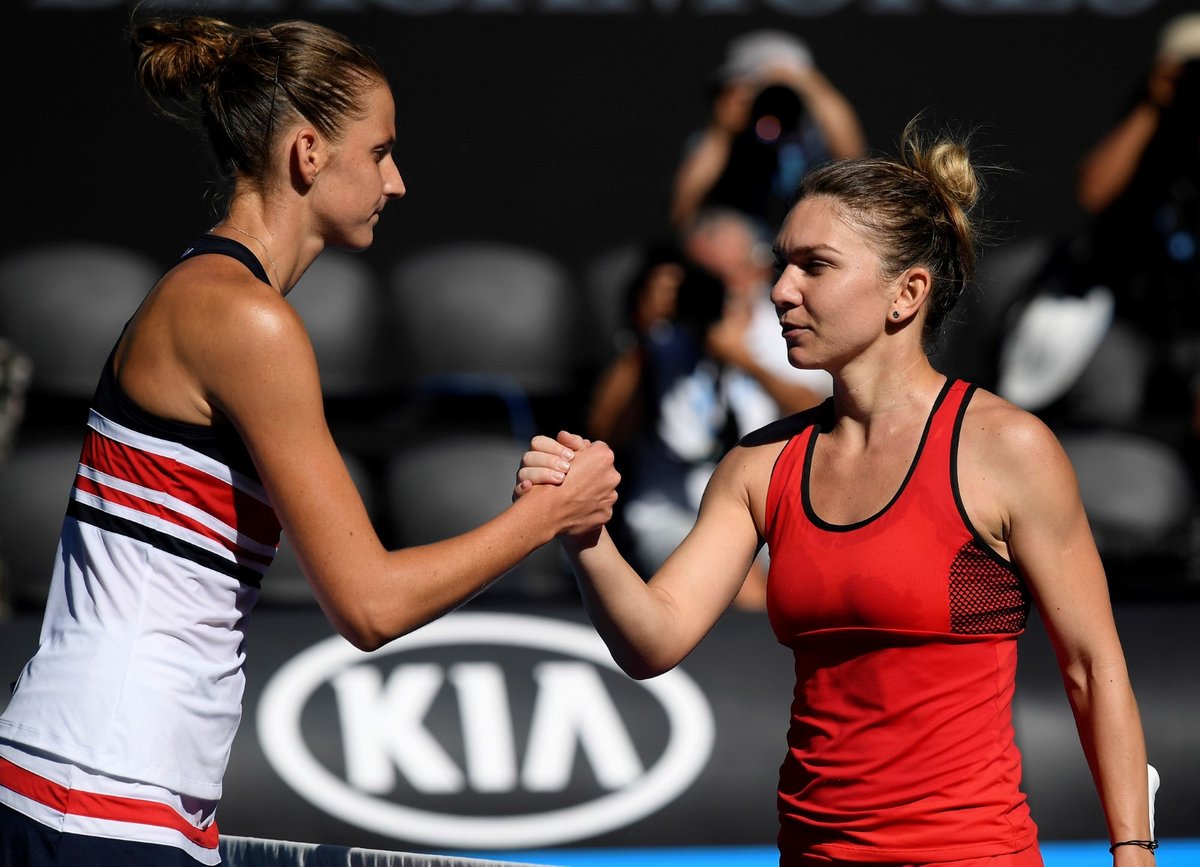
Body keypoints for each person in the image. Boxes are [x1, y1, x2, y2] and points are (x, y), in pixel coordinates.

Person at [0, 14, 618, 866]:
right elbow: (369, 604)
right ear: (307, 153)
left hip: (98, 787)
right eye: (380, 151)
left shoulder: (214, 296)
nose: (396, 182)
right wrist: (549, 515)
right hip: (100, 798)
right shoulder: (246, 319)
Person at [520, 122, 1157, 865]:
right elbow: (655, 639)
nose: (782, 290)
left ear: (906, 293)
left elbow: (1091, 665)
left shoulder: (1007, 449)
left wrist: (1133, 849)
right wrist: (583, 534)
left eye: (815, 266)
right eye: (781, 265)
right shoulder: (759, 465)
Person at [669, 29, 866, 232]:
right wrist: (722, 131)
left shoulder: (814, 136)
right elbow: (682, 211)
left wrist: (808, 85)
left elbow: (854, 161)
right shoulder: (721, 139)